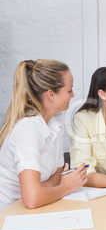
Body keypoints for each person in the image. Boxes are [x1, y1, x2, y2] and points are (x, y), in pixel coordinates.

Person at [0, 59, 87, 211]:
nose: (73, 95)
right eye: (69, 90)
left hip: (31, 207)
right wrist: (66, 187)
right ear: (51, 95)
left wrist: (41, 191)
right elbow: (32, 199)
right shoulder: (27, 128)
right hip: (7, 212)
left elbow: (56, 174)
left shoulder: (55, 120)